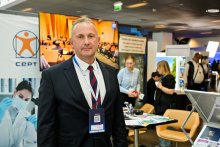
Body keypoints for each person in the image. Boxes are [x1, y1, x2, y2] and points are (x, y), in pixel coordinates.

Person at [38, 17, 127, 147]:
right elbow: (46, 126)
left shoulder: (111, 72)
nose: (86, 42)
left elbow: (118, 121)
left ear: (97, 41)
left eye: (91, 36)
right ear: (72, 43)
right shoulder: (52, 76)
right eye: (80, 37)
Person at [0, 81, 37, 147]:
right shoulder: (1, 109)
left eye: (26, 100)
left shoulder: (26, 115)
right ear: (15, 92)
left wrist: (37, 127)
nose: (22, 101)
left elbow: (34, 141)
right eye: (20, 96)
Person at [155, 61, 176, 147]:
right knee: (162, 125)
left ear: (163, 68)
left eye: (159, 68)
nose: (157, 70)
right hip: (161, 106)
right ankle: (164, 144)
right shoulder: (164, 77)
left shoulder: (169, 77)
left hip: (165, 107)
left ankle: (165, 144)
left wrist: (160, 87)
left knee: (165, 126)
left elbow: (171, 91)